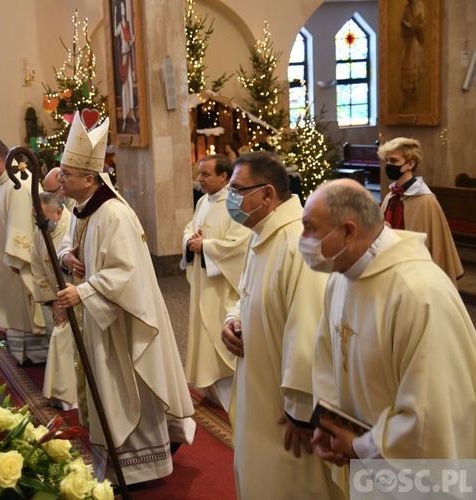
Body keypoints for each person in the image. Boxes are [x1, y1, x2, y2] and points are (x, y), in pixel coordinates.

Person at [56, 111, 195, 485]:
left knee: (124, 385)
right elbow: (72, 246)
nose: (60, 180)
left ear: (89, 178)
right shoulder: (81, 209)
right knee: (105, 383)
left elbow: (126, 275)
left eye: (67, 174)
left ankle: (139, 464)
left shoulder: (114, 214)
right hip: (98, 316)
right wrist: (66, 256)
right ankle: (115, 458)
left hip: (120, 320)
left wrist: (82, 290)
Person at [303, 179, 476, 470]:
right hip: (365, 464)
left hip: (416, 477)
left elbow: (432, 413)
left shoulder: (419, 294)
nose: (303, 238)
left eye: (310, 227)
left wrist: (360, 446)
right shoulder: (340, 276)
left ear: (347, 231)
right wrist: (331, 424)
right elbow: (326, 358)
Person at [220, 152, 342, 499]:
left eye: (237, 190)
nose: (231, 199)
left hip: (286, 414)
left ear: (268, 194)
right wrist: (233, 319)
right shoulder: (261, 234)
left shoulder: (299, 243)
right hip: (258, 389)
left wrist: (302, 415)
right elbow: (246, 294)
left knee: (289, 482)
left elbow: (307, 332)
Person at [181, 154, 250, 410]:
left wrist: (206, 246)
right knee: (204, 335)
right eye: (199, 173)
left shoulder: (236, 205)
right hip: (202, 284)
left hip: (222, 289)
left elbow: (241, 245)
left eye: (205, 174)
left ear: (224, 176)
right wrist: (190, 241)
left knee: (220, 337)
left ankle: (233, 397)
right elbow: (190, 227)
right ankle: (213, 393)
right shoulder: (203, 202)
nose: (199, 179)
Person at [0, 138, 48, 364]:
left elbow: (21, 223)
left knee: (24, 304)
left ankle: (34, 353)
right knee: (15, 304)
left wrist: (16, 257)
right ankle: (21, 350)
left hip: (17, 259)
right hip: (6, 256)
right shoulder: (5, 183)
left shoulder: (18, 184)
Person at [378, 137, 462, 285]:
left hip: (415, 273)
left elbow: (436, 247)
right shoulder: (390, 196)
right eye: (387, 161)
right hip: (390, 267)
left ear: (411, 164)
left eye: (394, 161)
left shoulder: (426, 201)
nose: (389, 165)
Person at [31, 192, 77, 409]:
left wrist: (68, 300)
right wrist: (53, 302)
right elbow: (38, 268)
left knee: (69, 344)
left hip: (75, 298)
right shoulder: (41, 228)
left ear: (58, 213)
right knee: (59, 339)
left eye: (42, 216)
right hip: (56, 300)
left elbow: (80, 268)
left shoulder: (72, 227)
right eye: (35, 217)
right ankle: (61, 396)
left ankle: (72, 397)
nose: (38, 221)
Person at [113, 0, 136, 131]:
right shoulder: (119, 26)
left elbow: (130, 40)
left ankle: (131, 111)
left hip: (128, 55)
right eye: (120, 9)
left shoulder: (127, 24)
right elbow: (116, 34)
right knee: (124, 86)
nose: (123, 11)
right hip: (123, 57)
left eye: (123, 8)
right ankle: (126, 113)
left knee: (130, 85)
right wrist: (114, 13)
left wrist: (133, 38)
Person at [401, 0, 425, 110]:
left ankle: (415, 100)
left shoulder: (420, 6)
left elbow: (422, 25)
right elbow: (403, 24)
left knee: (415, 69)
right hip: (408, 44)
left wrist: (417, 28)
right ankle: (407, 101)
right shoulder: (407, 8)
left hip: (415, 44)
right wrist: (407, 27)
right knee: (407, 69)